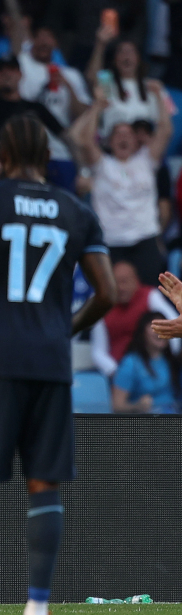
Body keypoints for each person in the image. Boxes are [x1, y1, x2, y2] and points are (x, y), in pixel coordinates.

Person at [0, 114, 115, 615]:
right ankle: (37, 612)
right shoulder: (77, 212)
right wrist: (63, 330)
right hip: (49, 359)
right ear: (47, 156)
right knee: (44, 484)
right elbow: (107, 293)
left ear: (1, 154)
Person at [70, 84, 173, 288]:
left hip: (145, 240)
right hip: (111, 243)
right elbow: (83, 139)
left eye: (128, 134)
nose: (123, 137)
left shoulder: (146, 160)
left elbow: (166, 131)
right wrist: (98, 106)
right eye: (117, 134)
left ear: (136, 141)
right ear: (109, 141)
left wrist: (158, 96)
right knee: (111, 297)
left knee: (152, 294)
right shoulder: (101, 165)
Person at [90, 261, 179, 377]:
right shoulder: (103, 305)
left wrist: (167, 362)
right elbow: (98, 351)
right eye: (116, 283)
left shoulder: (150, 296)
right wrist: (120, 374)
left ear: (136, 280)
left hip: (155, 368)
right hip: (120, 371)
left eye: (125, 282)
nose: (121, 287)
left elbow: (175, 326)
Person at [112, 311, 179, 413]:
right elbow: (117, 406)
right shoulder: (130, 363)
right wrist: (137, 406)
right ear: (142, 332)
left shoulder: (171, 360)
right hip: (147, 423)